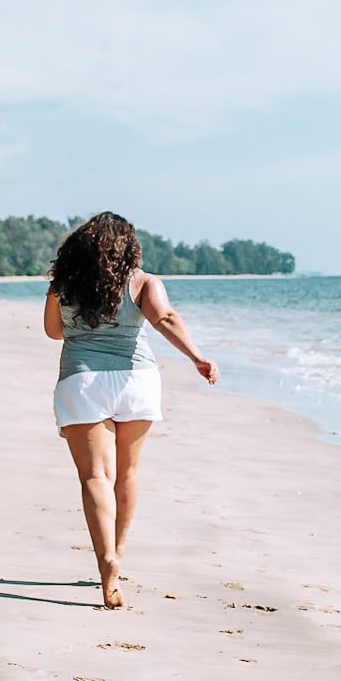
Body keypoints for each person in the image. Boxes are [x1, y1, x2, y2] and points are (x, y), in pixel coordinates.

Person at [44, 212, 218, 608]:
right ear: (130, 248)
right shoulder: (143, 282)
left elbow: (54, 331)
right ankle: (119, 552)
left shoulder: (63, 284)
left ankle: (106, 560)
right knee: (127, 473)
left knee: (95, 476)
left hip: (83, 380)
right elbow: (164, 318)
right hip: (136, 381)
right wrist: (197, 357)